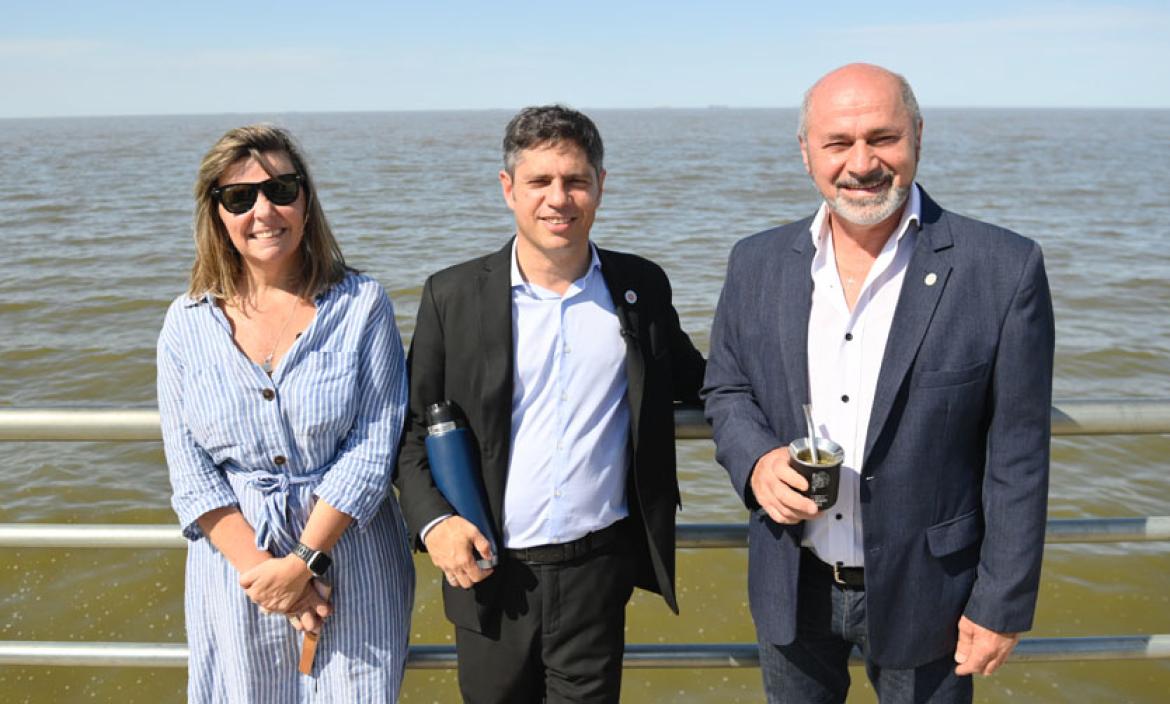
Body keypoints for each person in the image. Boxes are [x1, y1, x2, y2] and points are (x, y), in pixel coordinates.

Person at [702, 64, 1055, 703]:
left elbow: (1019, 452)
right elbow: (726, 388)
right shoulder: (755, 262)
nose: (862, 163)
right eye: (838, 142)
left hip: (934, 594)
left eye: (883, 138)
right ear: (806, 151)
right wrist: (755, 461)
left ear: (918, 135)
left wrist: (1002, 600)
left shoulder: (1003, 268)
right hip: (793, 581)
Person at [395, 105, 705, 703]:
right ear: (508, 188)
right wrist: (435, 523)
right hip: (487, 570)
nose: (558, 198)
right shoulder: (451, 295)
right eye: (540, 180)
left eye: (575, 180)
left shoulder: (640, 287)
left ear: (600, 186)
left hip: (598, 571)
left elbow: (701, 382)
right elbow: (410, 431)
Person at [157, 124, 414, 702]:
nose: (264, 211)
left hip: (352, 559)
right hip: (239, 574)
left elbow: (374, 448)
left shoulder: (361, 304)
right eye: (239, 197)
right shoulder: (185, 324)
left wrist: (302, 564)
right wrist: (269, 577)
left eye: (281, 190)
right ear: (217, 213)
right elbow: (191, 473)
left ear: (306, 200)